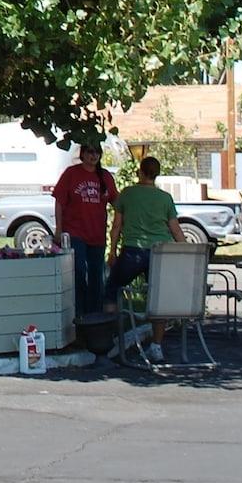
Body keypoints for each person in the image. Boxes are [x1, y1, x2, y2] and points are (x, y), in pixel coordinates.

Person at [106, 156, 185, 360]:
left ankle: (109, 336)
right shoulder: (165, 198)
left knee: (112, 288)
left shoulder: (128, 194)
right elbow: (175, 229)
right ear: (156, 174)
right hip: (160, 252)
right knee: (158, 298)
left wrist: (112, 251)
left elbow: (116, 226)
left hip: (133, 250)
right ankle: (157, 346)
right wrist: (185, 252)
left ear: (139, 171)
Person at [52, 141, 117, 316]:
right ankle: (78, 313)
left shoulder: (105, 177)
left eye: (96, 152)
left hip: (97, 234)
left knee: (97, 276)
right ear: (82, 154)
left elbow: (117, 202)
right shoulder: (71, 174)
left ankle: (94, 316)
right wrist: (58, 229)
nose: (93, 155)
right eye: (89, 151)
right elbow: (59, 201)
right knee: (78, 272)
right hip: (75, 232)